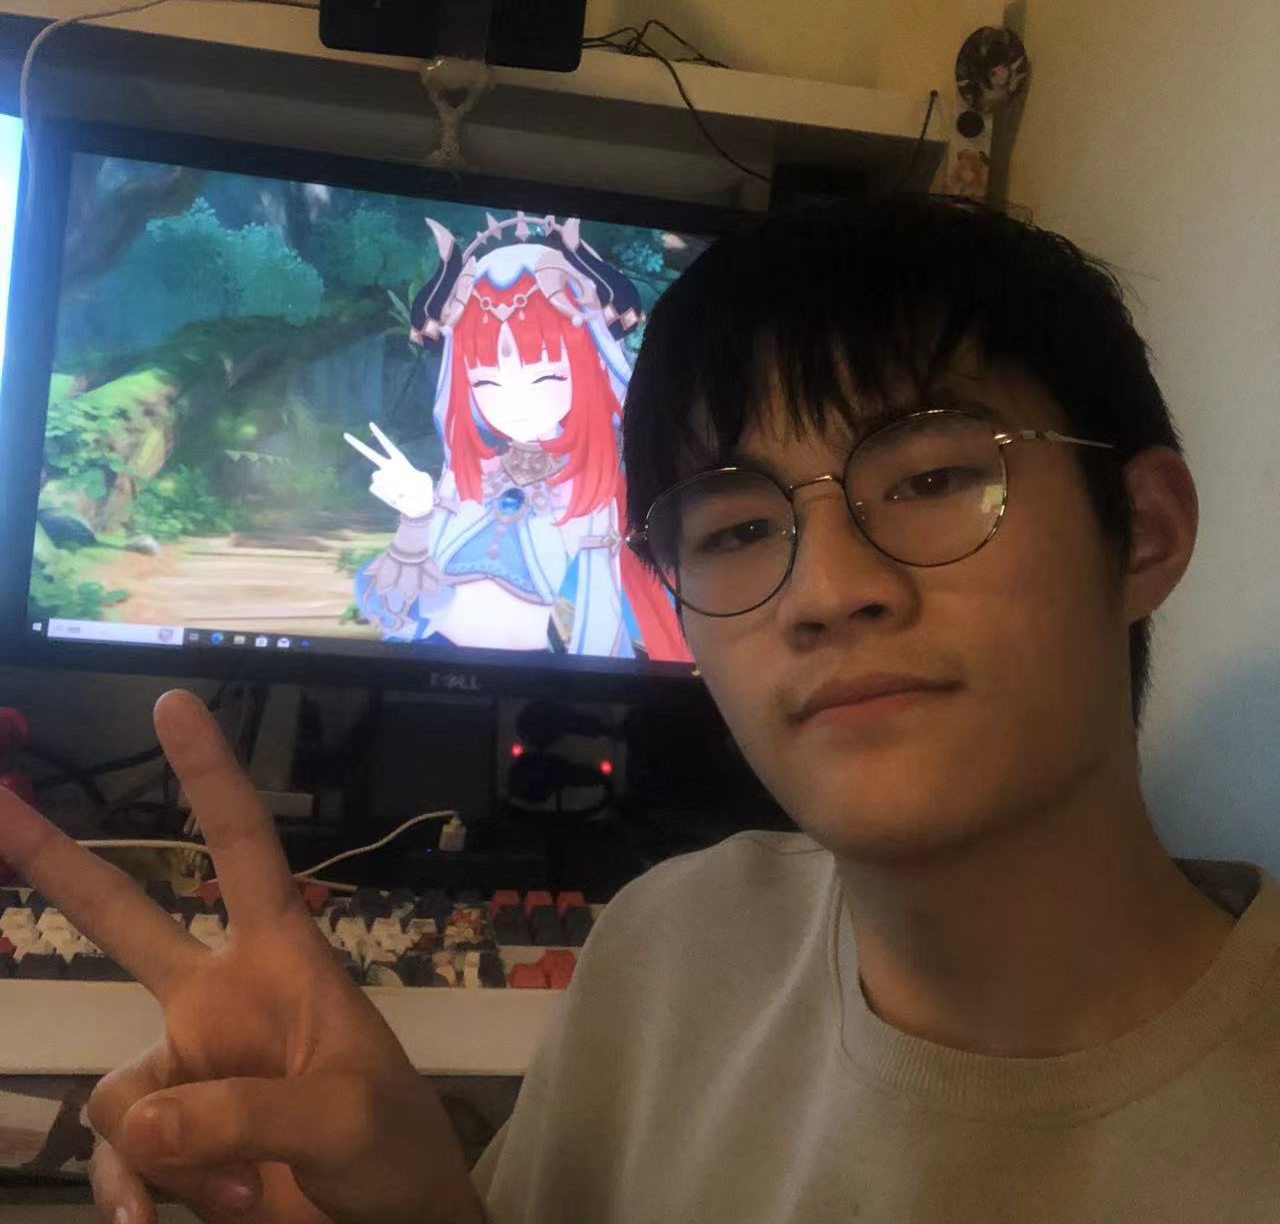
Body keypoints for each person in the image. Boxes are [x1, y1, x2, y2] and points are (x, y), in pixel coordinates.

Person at [2, 193, 1277, 1224]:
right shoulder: (671, 951)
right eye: (735, 527)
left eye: (931, 478)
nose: (825, 590)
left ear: (1143, 532)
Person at [343, 212, 689, 662]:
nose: (513, 400)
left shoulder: (589, 491)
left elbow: (599, 618)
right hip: (426, 659)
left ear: (586, 371)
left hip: (528, 677)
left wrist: (591, 692)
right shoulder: (467, 473)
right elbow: (395, 612)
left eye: (545, 376)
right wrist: (415, 519)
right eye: (485, 381)